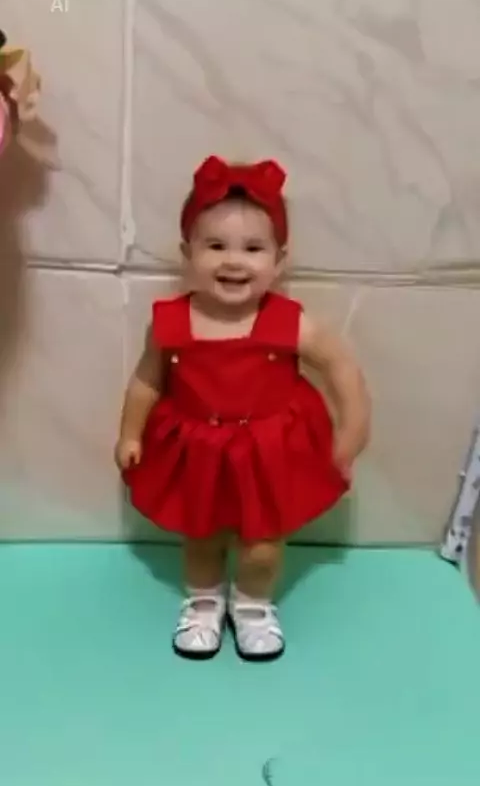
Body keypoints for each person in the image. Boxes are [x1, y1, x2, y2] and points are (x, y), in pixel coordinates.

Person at [115, 155, 371, 662]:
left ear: (279, 259)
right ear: (188, 253)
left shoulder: (289, 323)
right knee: (201, 537)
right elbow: (146, 380)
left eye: (253, 248)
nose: (234, 261)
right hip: (198, 452)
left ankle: (253, 606)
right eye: (215, 246)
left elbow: (341, 367)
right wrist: (130, 433)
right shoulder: (171, 323)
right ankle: (203, 603)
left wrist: (353, 428)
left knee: (263, 545)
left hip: (268, 453)